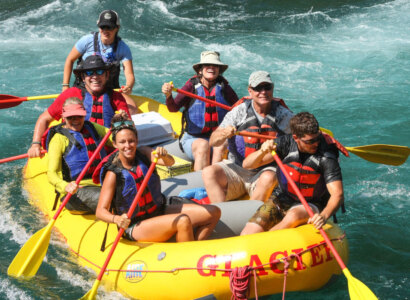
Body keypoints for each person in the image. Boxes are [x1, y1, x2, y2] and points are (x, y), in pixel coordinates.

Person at [96, 114, 221, 242]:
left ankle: (194, 247)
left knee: (214, 212)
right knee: (182, 221)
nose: (128, 146)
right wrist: (116, 219)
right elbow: (100, 211)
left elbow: (170, 162)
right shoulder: (113, 173)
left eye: (131, 141)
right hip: (135, 224)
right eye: (122, 142)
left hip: (159, 210)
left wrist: (164, 155)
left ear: (137, 140)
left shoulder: (143, 153)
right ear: (115, 144)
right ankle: (187, 256)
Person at [240, 112, 345, 235]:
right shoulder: (285, 143)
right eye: (310, 141)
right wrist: (262, 152)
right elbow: (247, 164)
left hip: (313, 202)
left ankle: (262, 243)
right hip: (282, 196)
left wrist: (323, 215)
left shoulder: (327, 156)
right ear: (296, 138)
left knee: (294, 215)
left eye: (318, 138)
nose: (316, 143)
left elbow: (337, 194)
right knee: (251, 229)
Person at [201, 71, 294, 203]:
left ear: (272, 89)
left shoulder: (284, 116)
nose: (263, 92)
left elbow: (300, 139)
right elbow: (213, 141)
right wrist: (223, 134)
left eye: (267, 87)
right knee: (209, 172)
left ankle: (251, 217)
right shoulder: (239, 111)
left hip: (265, 170)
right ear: (250, 91)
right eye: (258, 88)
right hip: (237, 168)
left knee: (269, 177)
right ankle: (220, 215)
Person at [28, 54, 131, 158]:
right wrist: (36, 144)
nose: (95, 76)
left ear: (107, 75)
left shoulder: (116, 97)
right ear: (83, 77)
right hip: (75, 152)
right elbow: (44, 118)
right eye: (89, 72)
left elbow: (128, 127)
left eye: (100, 71)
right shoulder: (71, 94)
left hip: (107, 154)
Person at [162, 51, 238, 171]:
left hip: (217, 138)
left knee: (220, 144)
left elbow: (238, 110)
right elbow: (173, 108)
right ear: (200, 70)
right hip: (193, 139)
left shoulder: (225, 88)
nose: (212, 68)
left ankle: (215, 180)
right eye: (207, 65)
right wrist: (168, 95)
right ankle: (201, 186)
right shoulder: (191, 87)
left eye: (215, 66)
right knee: (203, 145)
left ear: (219, 70)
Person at [46, 98, 117, 213]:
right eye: (70, 117)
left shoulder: (92, 127)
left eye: (79, 116)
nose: (76, 120)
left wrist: (120, 125)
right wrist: (65, 186)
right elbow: (51, 173)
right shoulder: (58, 139)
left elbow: (115, 138)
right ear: (63, 117)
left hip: (103, 182)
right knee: (110, 198)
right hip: (76, 191)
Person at [62, 10, 137, 113]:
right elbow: (69, 60)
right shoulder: (87, 41)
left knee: (132, 107)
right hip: (84, 87)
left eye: (109, 27)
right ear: (98, 27)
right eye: (103, 27)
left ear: (117, 28)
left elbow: (129, 74)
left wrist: (128, 86)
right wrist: (65, 86)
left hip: (109, 89)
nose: (105, 31)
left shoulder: (123, 48)